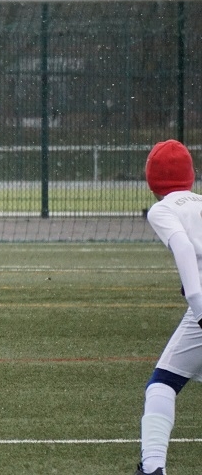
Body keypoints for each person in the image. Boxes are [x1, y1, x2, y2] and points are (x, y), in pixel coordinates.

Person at [136, 140, 201, 475]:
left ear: (152, 180)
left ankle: (152, 467)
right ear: (191, 174)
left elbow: (184, 248)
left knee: (162, 384)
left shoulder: (162, 210)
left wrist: (199, 306)